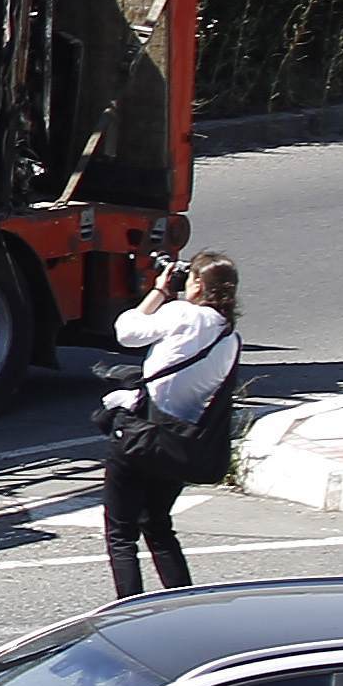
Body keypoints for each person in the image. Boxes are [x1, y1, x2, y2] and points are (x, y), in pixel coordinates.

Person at [100, 252, 241, 598]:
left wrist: (161, 291)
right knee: (159, 526)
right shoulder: (230, 339)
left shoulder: (181, 314)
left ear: (197, 284)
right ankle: (183, 605)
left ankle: (129, 611)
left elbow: (126, 332)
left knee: (121, 533)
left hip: (140, 436)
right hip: (179, 443)